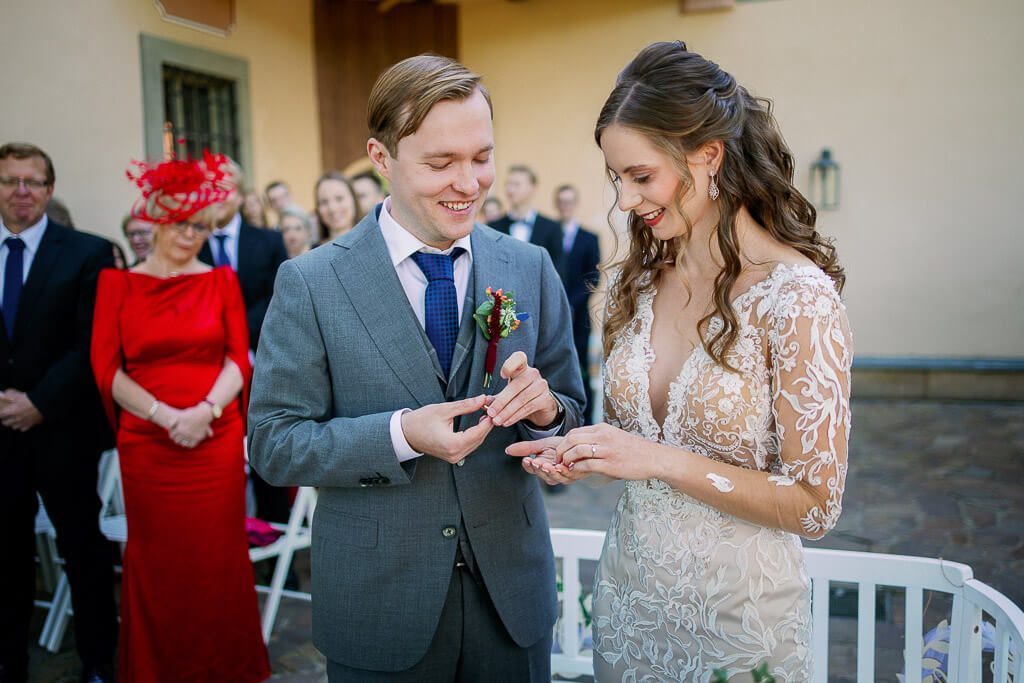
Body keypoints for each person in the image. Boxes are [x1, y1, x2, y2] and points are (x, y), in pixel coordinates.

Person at [508, 41, 853, 681]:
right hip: (630, 606)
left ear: (708, 155)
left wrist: (657, 459)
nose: (626, 200)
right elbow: (635, 444)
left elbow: (815, 504)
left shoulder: (796, 297)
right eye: (617, 178)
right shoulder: (636, 285)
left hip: (740, 624)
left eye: (641, 176)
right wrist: (578, 448)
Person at [247, 54, 586, 681]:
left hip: (511, 596)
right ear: (381, 157)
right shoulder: (311, 282)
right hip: (379, 603)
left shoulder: (529, 266)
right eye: (440, 163)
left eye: (481, 156)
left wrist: (546, 415)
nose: (469, 182)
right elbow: (273, 444)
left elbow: (571, 409)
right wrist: (399, 435)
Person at [91, 151, 270, 683]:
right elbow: (106, 369)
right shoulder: (116, 284)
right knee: (159, 562)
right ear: (155, 220)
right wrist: (166, 415)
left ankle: (225, 669)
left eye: (201, 225)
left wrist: (205, 412)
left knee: (217, 557)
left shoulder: (220, 281)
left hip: (214, 442)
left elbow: (238, 358)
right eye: (181, 223)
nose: (191, 235)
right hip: (148, 447)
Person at [0, 142, 118, 683]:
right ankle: (10, 660)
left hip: (63, 430)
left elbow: (90, 341)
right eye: (10, 181)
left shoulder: (86, 252)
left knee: (83, 551)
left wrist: (38, 403)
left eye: (32, 181)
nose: (21, 191)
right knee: (6, 555)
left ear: (49, 189)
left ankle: (97, 660)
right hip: (1, 434)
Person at [197, 161, 289, 525]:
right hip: (208, 367)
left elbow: (279, 296)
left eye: (223, 188)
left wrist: (237, 329)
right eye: (208, 189)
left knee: (264, 443)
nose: (217, 197)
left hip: (262, 360)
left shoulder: (268, 241)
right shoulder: (192, 244)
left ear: (238, 194)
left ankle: (272, 529)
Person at [554, 184, 601, 424]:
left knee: (581, 368)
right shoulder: (548, 234)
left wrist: (571, 305)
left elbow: (593, 278)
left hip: (579, 317)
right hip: (553, 315)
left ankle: (587, 419)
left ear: (575, 204)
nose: (565, 206)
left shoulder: (589, 238)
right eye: (561, 202)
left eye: (569, 201)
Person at [488, 165, 564, 275]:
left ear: (533, 188)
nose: (510, 190)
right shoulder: (493, 227)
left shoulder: (552, 228)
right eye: (508, 184)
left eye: (516, 184)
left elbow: (558, 270)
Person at [314, 171, 362, 244]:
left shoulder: (373, 243)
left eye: (339, 198)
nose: (332, 208)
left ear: (354, 200)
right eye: (324, 202)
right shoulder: (313, 250)